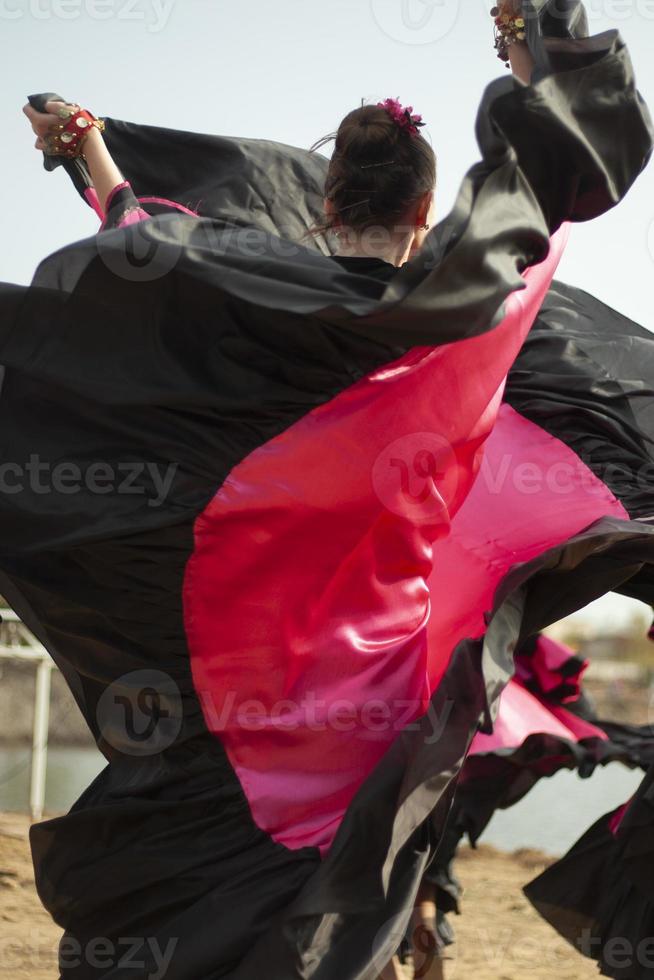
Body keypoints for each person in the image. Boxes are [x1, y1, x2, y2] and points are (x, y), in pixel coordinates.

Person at [7, 2, 654, 978]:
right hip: (377, 706)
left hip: (233, 696)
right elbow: (542, 193)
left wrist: (89, 149)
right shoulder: (468, 322)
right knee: (335, 919)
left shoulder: (250, 301)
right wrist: (536, 52)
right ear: (424, 213)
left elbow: (142, 235)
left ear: (324, 204)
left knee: (201, 915)